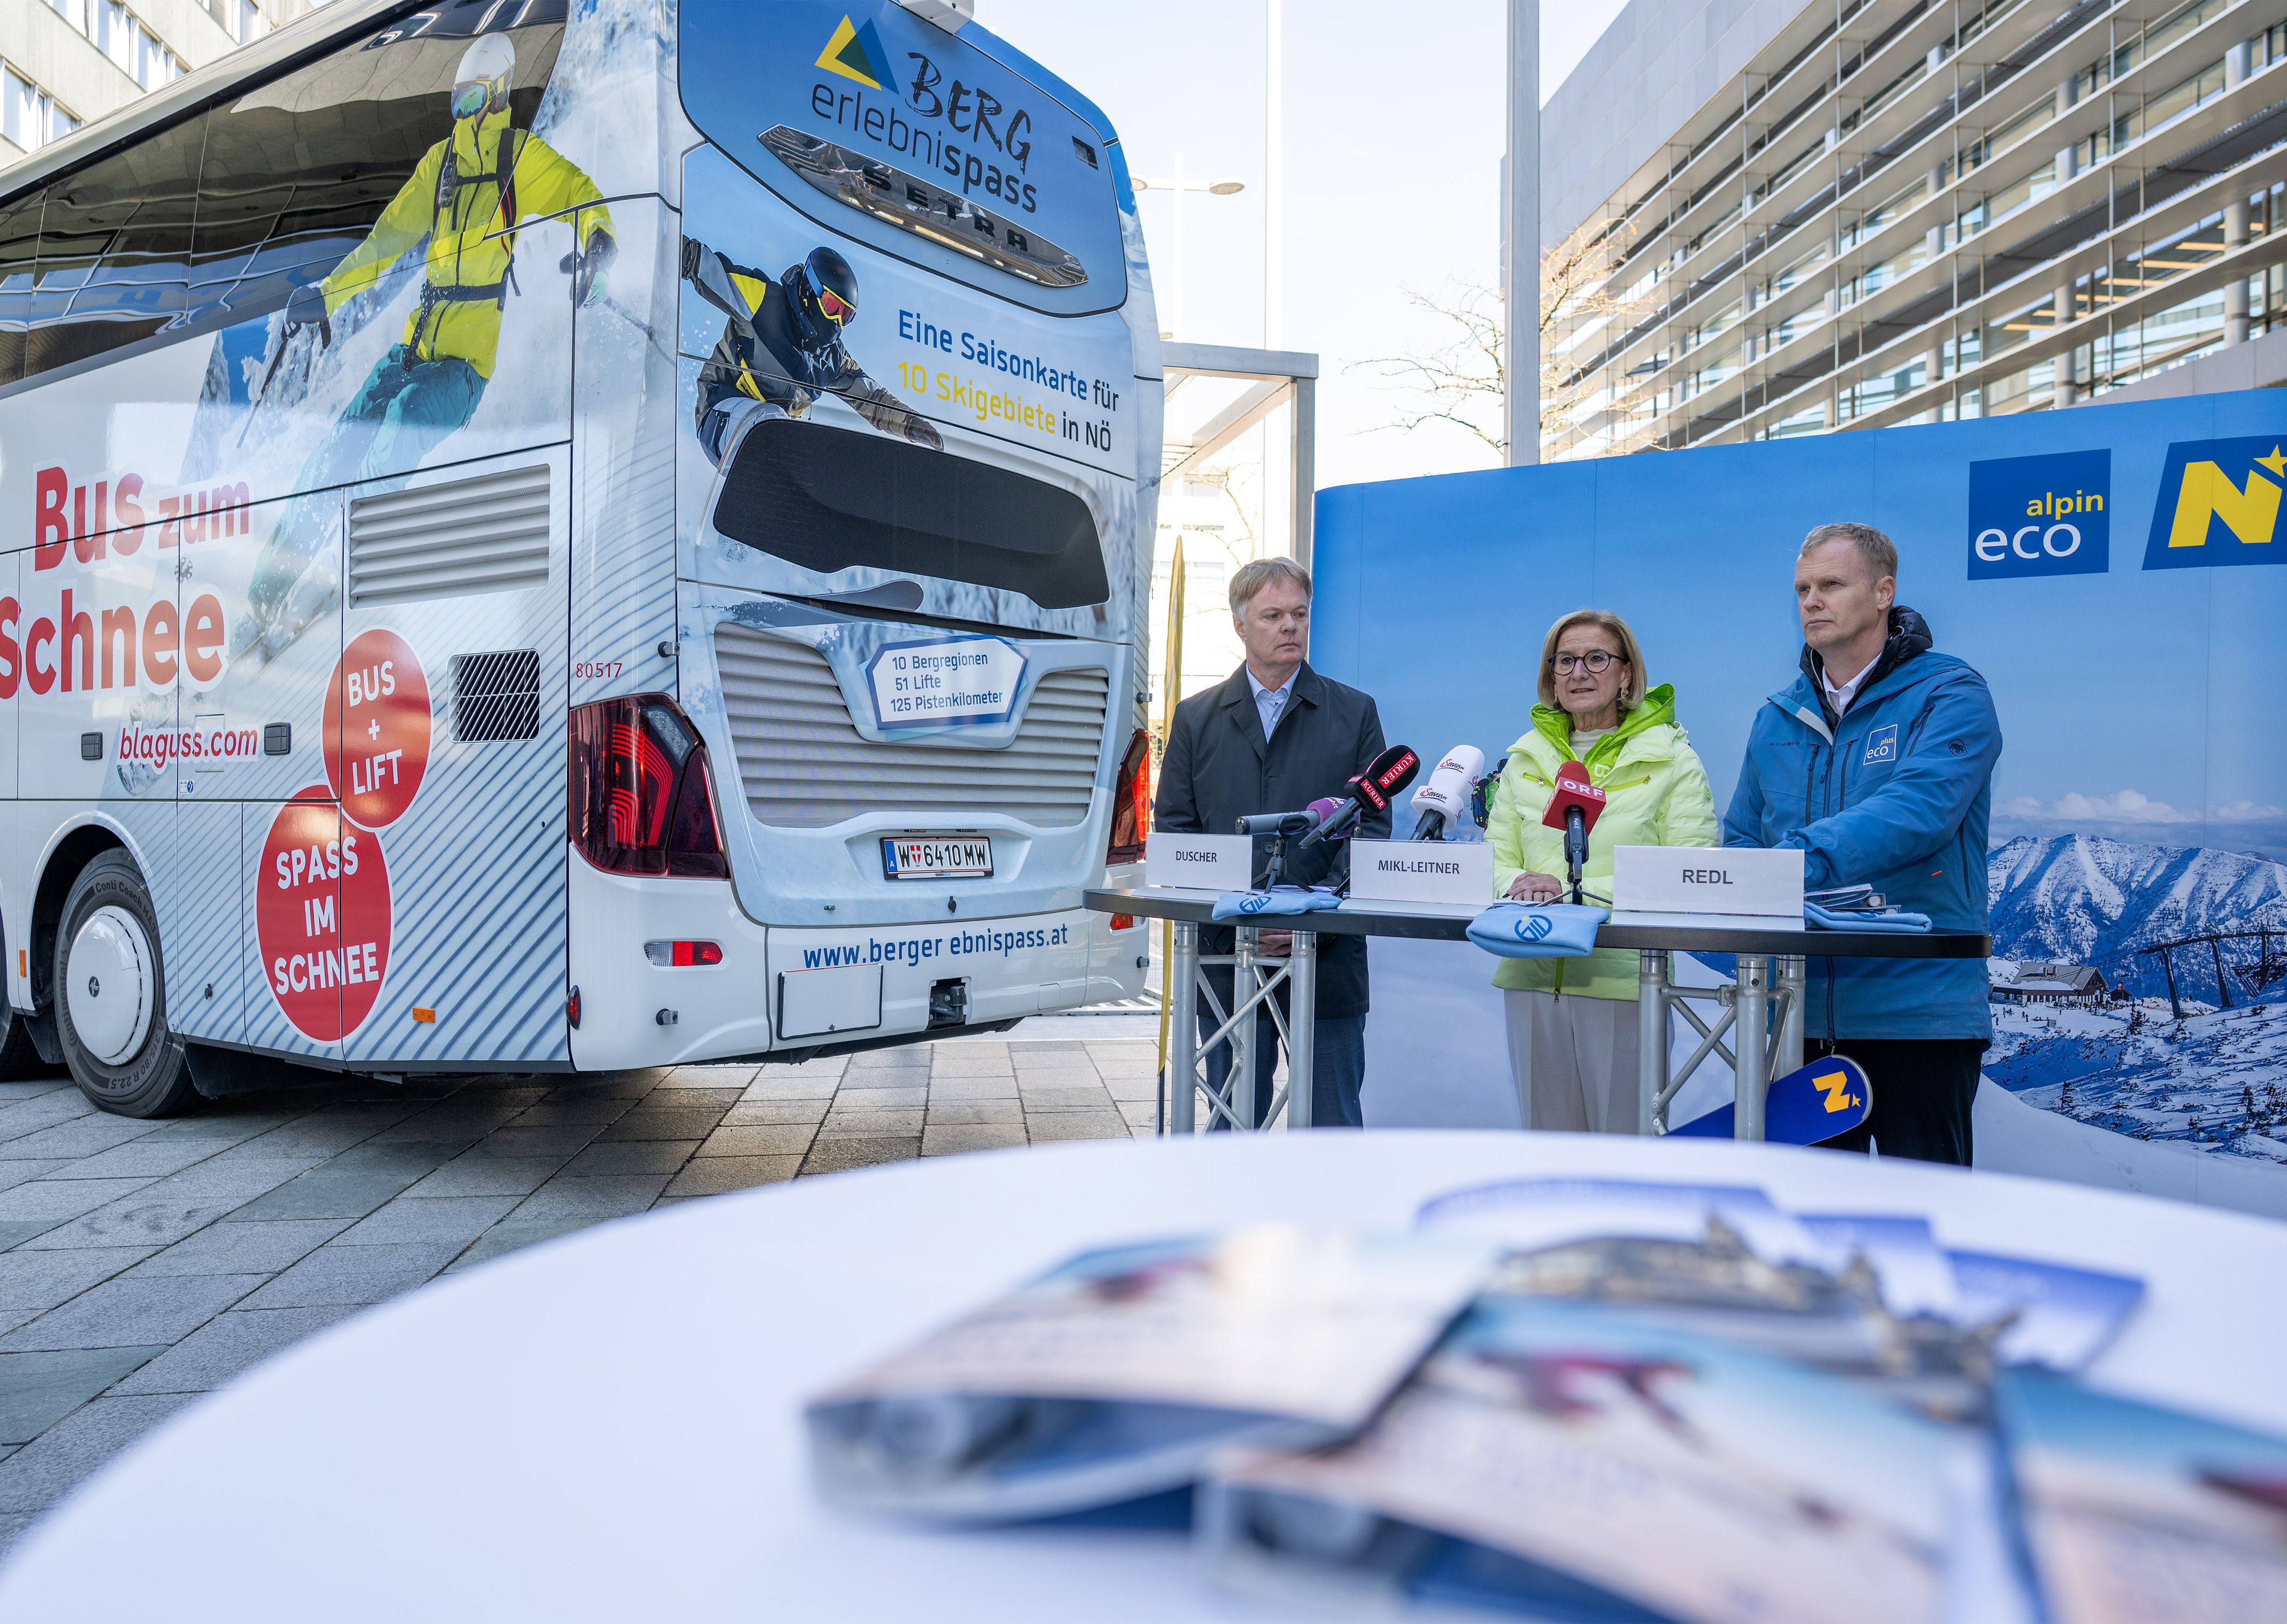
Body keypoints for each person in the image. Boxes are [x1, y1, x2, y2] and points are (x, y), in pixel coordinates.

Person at [249, 33, 614, 654]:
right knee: (335, 449)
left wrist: (598, 247)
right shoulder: (439, 167)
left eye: (473, 98)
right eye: (456, 101)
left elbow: (581, 194)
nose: (462, 112)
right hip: (411, 352)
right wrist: (328, 295)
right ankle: (262, 598)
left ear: (497, 95)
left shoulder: (518, 159)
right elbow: (386, 240)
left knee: (400, 423)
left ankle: (350, 562)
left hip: (463, 370)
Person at [1723, 522, 2002, 1165]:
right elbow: (1742, 836)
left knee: (1923, 1222)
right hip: (1797, 1020)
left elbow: (1920, 809)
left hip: (1917, 1015)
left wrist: (1796, 863)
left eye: (1830, 585)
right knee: (1805, 1233)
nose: (1811, 602)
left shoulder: (1950, 693)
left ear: (1883, 593)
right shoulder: (1777, 715)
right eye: (1801, 589)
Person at [1154, 557, 1388, 1128]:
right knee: (1235, 1121)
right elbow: (1175, 832)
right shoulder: (1194, 718)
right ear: (1240, 625)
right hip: (1226, 958)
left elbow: (1372, 832)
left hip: (1328, 955)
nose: (1290, 627)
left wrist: (1308, 915)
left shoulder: (1355, 713)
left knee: (1331, 1125)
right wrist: (1243, 919)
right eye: (1274, 615)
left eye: (1300, 615)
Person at [1485, 609, 1717, 1132]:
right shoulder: (1524, 758)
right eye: (1564, 660)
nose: (1579, 672)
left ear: (1627, 673)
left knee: (1622, 1158)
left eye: (1596, 658)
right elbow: (1495, 861)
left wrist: (1575, 894)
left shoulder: (1673, 759)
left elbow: (1688, 871)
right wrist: (1521, 887)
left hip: (1626, 981)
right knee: (1548, 1155)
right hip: (1531, 976)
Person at [680, 236, 943, 465]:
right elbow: (705, 267)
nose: (836, 322)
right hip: (720, 417)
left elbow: (873, 399)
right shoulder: (764, 302)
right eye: (831, 306)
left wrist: (913, 425)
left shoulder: (832, 360)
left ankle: (788, 509)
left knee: (816, 448)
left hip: (771, 440)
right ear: (810, 291)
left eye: (846, 315)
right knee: (773, 423)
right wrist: (668, 242)